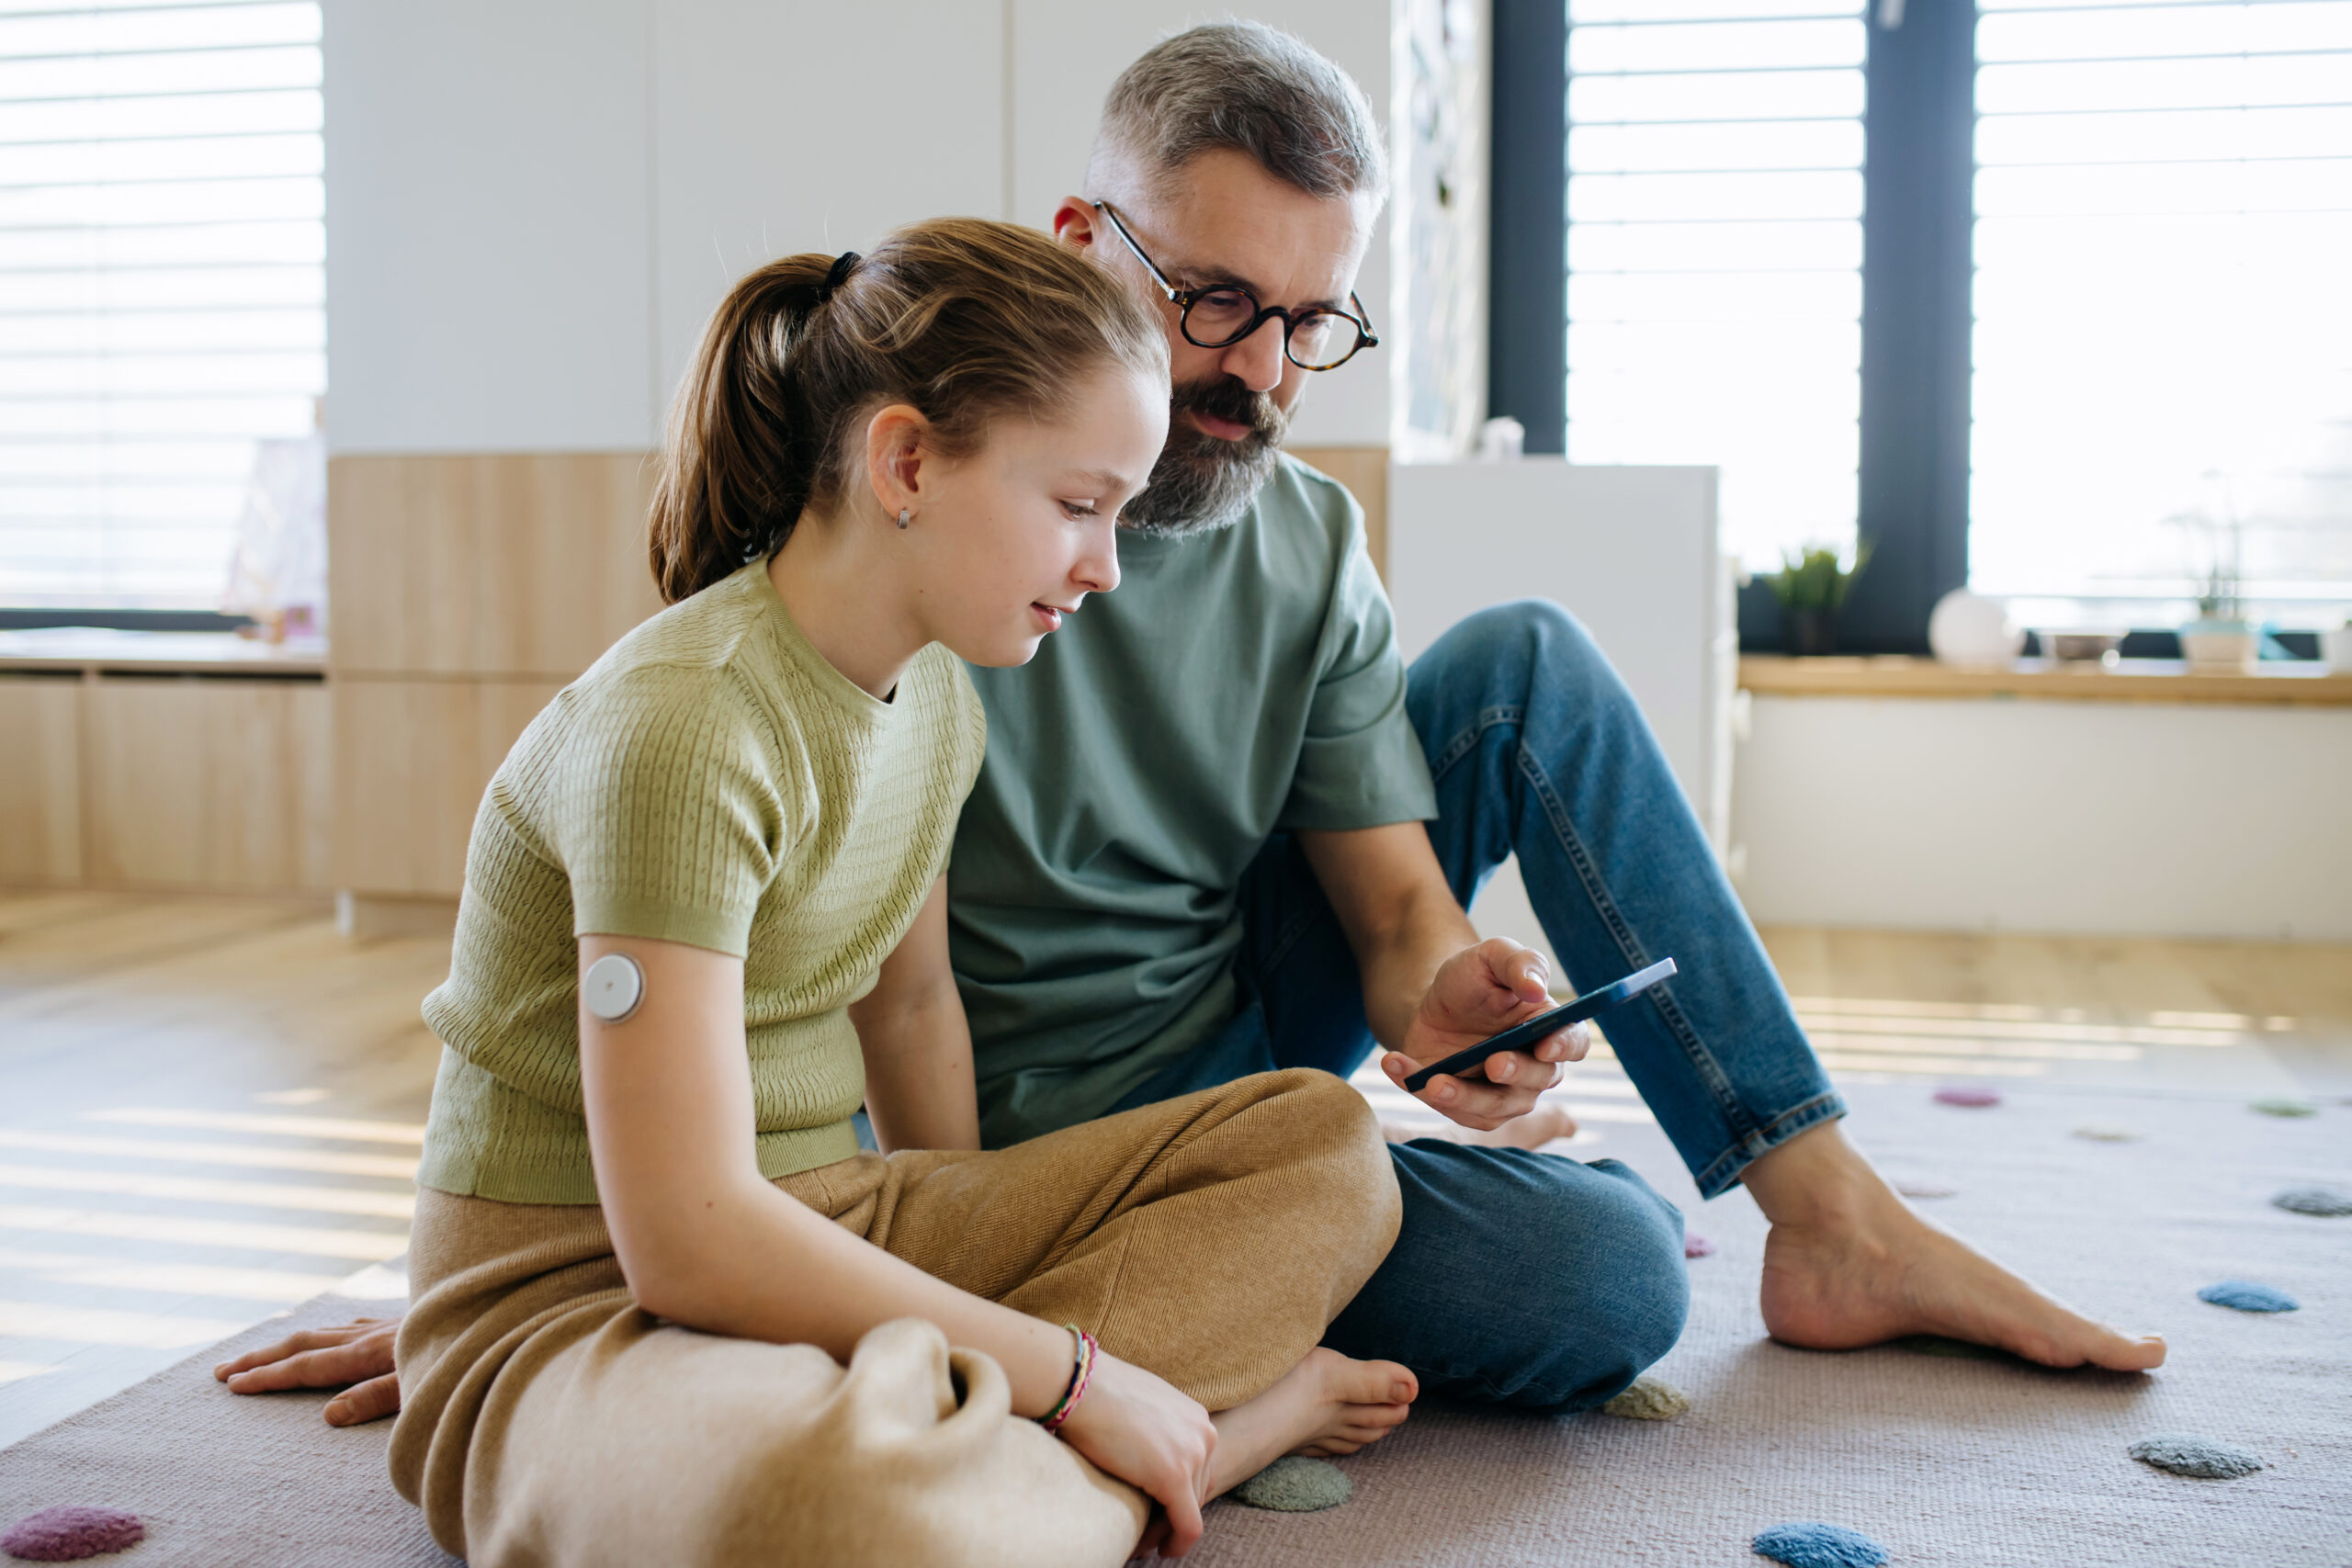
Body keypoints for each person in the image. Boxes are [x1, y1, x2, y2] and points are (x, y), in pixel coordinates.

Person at [223, 18, 2165, 1461]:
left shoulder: (1302, 535)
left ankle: (1825, 1217)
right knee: (1600, 1279)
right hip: (1010, 1146)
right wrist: (527, 1283)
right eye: (1215, 296)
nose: (1252, 368)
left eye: (1310, 322)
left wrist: (1444, 992)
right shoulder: (901, 530)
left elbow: (1391, 914)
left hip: (1249, 1075)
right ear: (1090, 235)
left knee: (1524, 678)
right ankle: (1101, 1357)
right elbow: (649, 904)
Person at [292, 218, 1419, 1568]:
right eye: (1077, 506)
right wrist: (1074, 1372)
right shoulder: (683, 730)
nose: (1108, 566)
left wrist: (972, 1279)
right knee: (830, 1505)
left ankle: (1001, 1454)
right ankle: (1197, 1440)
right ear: (905, 463)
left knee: (1327, 1147)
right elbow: (689, 1245)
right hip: (584, 1302)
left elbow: (914, 1010)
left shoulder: (935, 695)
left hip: (841, 1214)